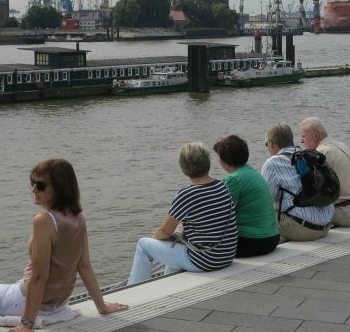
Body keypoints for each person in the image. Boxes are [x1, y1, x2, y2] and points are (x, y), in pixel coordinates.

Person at [0, 159, 128, 332]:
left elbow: (39, 276)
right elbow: (84, 265)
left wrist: (27, 323)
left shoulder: (43, 220)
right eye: (32, 183)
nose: (34, 189)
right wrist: (102, 306)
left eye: (41, 185)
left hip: (24, 301)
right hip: (59, 305)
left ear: (59, 188)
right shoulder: (79, 218)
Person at [126, 142, 238, 284]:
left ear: (183, 168)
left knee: (143, 245)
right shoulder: (223, 186)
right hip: (226, 256)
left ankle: (133, 289)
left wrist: (154, 240)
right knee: (174, 247)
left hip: (204, 261)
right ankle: (167, 286)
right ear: (208, 163)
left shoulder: (187, 194)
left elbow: (165, 231)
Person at [261, 122, 334, 241]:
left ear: (271, 143)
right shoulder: (309, 156)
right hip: (325, 226)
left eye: (266, 145)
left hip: (304, 229)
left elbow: (265, 202)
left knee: (261, 213)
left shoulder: (272, 163)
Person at [214, 135, 280, 257]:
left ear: (224, 159)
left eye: (218, 157)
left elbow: (219, 216)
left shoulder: (233, 179)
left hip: (252, 242)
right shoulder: (253, 173)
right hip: (272, 237)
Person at [300, 116, 350, 227]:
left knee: (299, 209)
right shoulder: (341, 145)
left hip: (349, 214)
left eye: (303, 136)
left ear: (315, 136)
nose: (301, 141)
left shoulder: (321, 153)